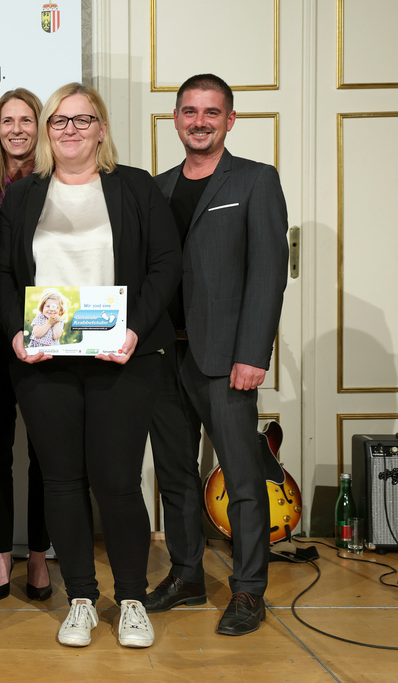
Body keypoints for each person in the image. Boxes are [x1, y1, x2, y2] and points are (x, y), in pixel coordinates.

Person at [0, 82, 181, 650]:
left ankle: (130, 600)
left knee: (118, 482)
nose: (69, 129)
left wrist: (134, 329)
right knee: (63, 481)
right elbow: (1, 271)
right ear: (47, 132)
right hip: (45, 360)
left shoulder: (136, 188)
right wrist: (19, 330)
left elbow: (166, 264)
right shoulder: (25, 196)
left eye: (82, 119)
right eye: (59, 121)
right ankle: (79, 597)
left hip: (121, 356)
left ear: (101, 128)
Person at [144, 74, 288, 636]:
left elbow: (268, 274)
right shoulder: (154, 190)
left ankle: (249, 590)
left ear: (230, 120)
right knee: (176, 476)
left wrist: (254, 351)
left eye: (211, 112)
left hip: (227, 359)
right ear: (176, 119)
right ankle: (186, 576)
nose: (199, 121)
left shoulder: (255, 181)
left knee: (243, 478)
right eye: (189, 111)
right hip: (162, 357)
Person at [0, 88, 52, 601]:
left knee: (44, 449)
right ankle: (1, 553)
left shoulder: (58, 184)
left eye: (27, 120)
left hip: (47, 334)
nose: (17, 129)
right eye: (7, 121)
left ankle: (39, 554)